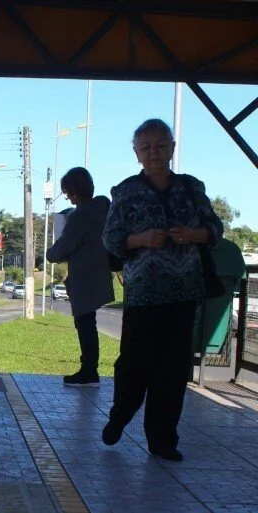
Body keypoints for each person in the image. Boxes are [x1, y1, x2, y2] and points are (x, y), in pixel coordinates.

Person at [102, 118, 223, 462]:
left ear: (172, 147)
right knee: (134, 365)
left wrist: (195, 234)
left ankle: (163, 440)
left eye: (160, 144)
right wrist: (141, 239)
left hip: (184, 293)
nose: (153, 152)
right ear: (137, 153)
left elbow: (215, 229)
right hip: (143, 295)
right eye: (146, 147)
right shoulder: (125, 191)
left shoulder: (191, 188)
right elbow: (111, 239)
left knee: (173, 370)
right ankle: (120, 416)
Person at [46, 167, 114, 387]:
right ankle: (89, 369)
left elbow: (64, 247)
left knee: (85, 325)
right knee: (88, 323)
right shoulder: (103, 207)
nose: (68, 197)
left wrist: (49, 254)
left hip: (84, 276)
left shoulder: (80, 216)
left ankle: (89, 371)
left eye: (67, 192)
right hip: (100, 271)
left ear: (74, 192)